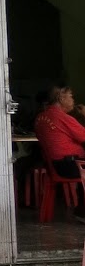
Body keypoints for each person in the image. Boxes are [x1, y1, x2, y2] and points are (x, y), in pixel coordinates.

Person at [35, 85, 85, 216]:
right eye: (71, 96)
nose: (73, 100)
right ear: (62, 98)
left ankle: (81, 210)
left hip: (54, 166)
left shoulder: (41, 117)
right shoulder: (62, 117)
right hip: (70, 166)